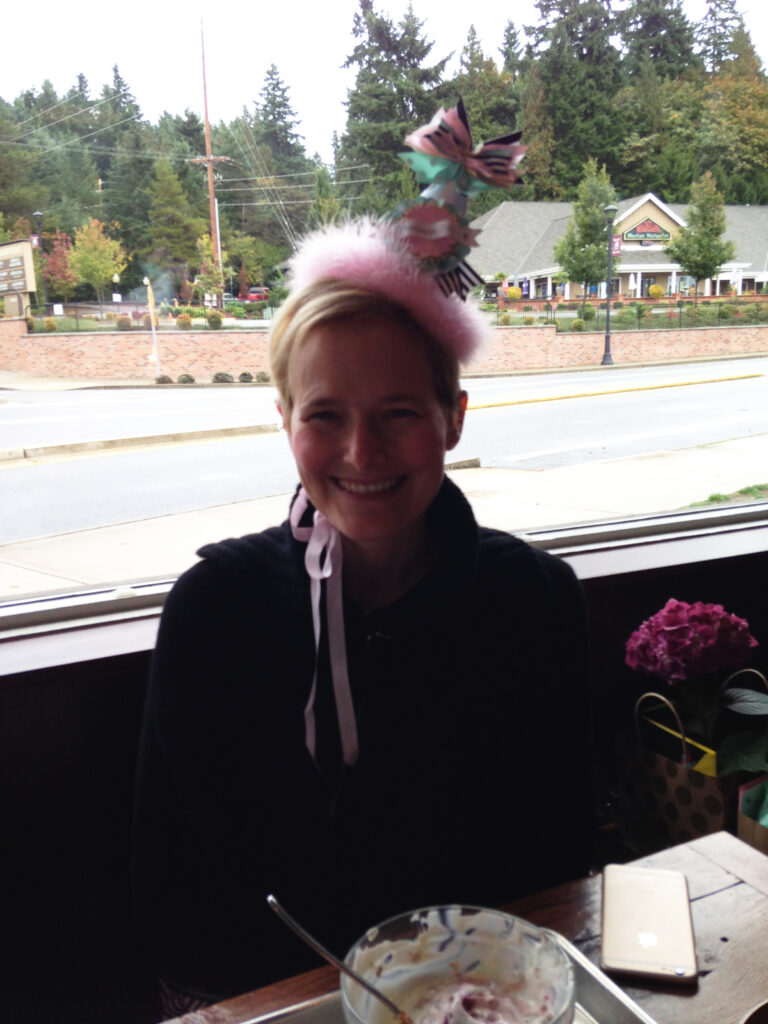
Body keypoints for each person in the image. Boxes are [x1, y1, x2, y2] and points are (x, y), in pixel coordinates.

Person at [132, 105, 594, 1011]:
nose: (360, 455)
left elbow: (556, 862)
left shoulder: (536, 602)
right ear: (284, 420)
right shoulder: (214, 612)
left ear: (452, 420)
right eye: (325, 416)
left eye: (398, 415)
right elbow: (178, 905)